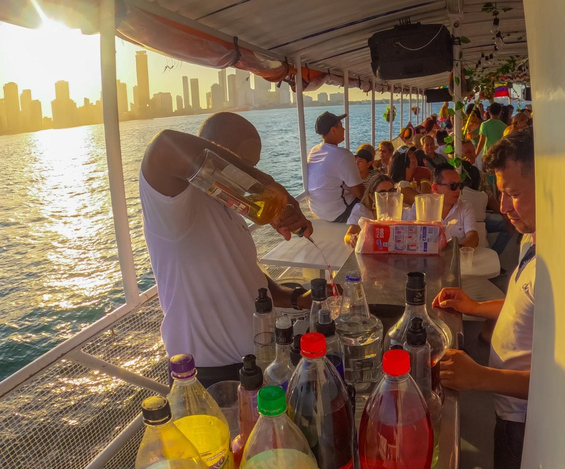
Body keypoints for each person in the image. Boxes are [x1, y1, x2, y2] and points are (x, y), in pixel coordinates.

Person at [140, 112, 314, 386]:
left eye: (251, 166)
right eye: (242, 165)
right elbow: (164, 146)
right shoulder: (174, 205)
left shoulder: (226, 206)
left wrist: (293, 297)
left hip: (258, 365)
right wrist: (265, 183)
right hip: (208, 379)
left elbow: (239, 271)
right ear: (211, 150)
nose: (245, 179)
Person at [432, 129, 536, 469]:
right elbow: (519, 305)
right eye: (501, 192)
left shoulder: (561, 267)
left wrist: (480, 378)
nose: (503, 205)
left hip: (525, 421)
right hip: (505, 407)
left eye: (515, 193)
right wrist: (473, 307)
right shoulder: (532, 240)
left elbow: (564, 385)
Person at [306, 112, 365, 222]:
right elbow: (360, 193)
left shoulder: (313, 151)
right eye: (341, 126)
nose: (344, 130)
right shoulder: (343, 155)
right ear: (333, 130)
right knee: (369, 202)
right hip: (338, 214)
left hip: (318, 211)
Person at [404, 163, 479, 247]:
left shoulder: (465, 207)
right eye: (453, 186)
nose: (458, 190)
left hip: (457, 258)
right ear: (435, 188)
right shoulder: (420, 207)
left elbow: (473, 238)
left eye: (459, 185)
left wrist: (452, 252)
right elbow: (407, 235)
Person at [343, 174, 396, 247]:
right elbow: (348, 236)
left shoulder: (400, 210)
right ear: (372, 197)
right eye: (382, 193)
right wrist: (352, 238)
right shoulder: (363, 210)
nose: (388, 196)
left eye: (391, 191)